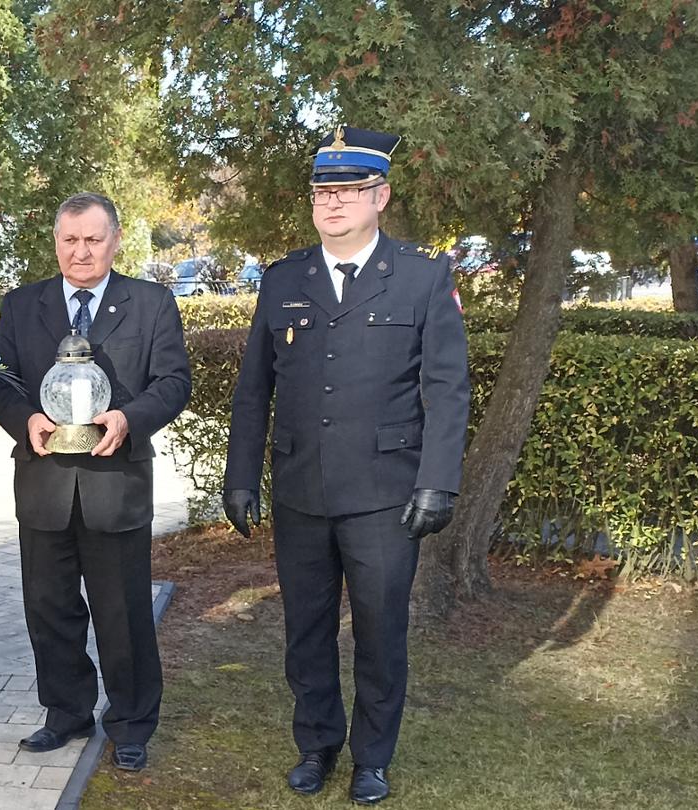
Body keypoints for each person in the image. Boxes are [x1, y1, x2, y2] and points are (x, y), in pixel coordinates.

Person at [223, 126, 472, 805]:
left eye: (349, 191)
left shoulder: (422, 277)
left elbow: (448, 389)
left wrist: (437, 481)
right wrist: (240, 475)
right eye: (322, 192)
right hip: (302, 488)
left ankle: (372, 757)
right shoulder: (283, 280)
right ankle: (317, 745)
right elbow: (255, 389)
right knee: (305, 630)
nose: (332, 203)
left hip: (385, 495)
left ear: (380, 196)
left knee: (380, 630)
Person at [0, 192, 190, 772]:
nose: (81, 251)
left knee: (121, 613)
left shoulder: (150, 303)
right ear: (56, 243)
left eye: (93, 239)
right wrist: (26, 419)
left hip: (115, 486)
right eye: (70, 240)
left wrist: (130, 418)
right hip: (44, 484)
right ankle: (66, 711)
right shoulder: (23, 306)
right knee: (49, 610)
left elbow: (173, 382)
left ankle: (130, 723)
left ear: (115, 240)